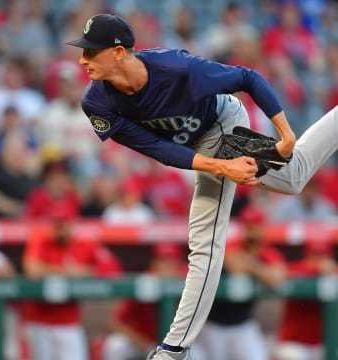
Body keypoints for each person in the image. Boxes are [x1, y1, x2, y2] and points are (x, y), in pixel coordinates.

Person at [66, 13, 337, 360]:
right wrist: (224, 167)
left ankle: (174, 348)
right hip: (200, 146)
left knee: (205, 241)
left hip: (222, 121)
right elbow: (162, 151)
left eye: (91, 52)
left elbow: (247, 77)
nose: (82, 60)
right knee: (294, 177)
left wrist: (285, 133)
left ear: (119, 52)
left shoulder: (176, 69)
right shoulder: (97, 102)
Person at [22, 213, 122, 360]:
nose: (61, 230)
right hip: (39, 322)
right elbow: (32, 270)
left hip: (70, 323)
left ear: (72, 225)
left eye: (65, 225)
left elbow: (112, 268)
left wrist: (87, 271)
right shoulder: (41, 241)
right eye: (58, 226)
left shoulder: (84, 244)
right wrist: (69, 272)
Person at [198, 206, 286, 360]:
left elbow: (276, 278)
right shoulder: (232, 244)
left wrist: (251, 266)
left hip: (244, 323)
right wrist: (260, 269)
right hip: (214, 323)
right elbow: (235, 266)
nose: (251, 230)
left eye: (255, 225)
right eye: (248, 225)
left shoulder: (267, 252)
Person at [272, 239, 337, 360]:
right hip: (293, 343)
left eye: (322, 256)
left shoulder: (332, 273)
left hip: (321, 344)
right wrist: (315, 269)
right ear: (306, 255)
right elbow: (281, 273)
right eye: (314, 256)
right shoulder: (297, 268)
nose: (318, 261)